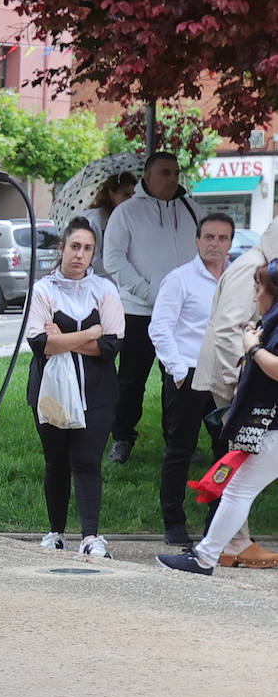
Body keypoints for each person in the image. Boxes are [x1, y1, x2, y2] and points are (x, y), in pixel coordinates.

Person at [159, 259, 278, 576]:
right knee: (240, 488)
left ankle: (205, 558)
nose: (255, 298)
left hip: (273, 429)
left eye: (259, 290)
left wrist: (253, 348)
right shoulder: (271, 324)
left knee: (238, 489)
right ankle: (206, 556)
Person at [26, 217, 125, 558]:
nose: (80, 255)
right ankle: (55, 532)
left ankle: (90, 537)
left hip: (97, 394)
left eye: (87, 249)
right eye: (74, 247)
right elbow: (39, 343)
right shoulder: (43, 290)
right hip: (50, 394)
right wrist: (89, 335)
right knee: (56, 462)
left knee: (86, 461)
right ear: (61, 248)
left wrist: (62, 338)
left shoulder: (105, 290)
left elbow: (112, 346)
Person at [191, 215, 278, 567]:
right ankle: (230, 545)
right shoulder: (256, 268)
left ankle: (224, 547)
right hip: (242, 387)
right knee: (238, 471)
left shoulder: (261, 265)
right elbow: (230, 332)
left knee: (239, 473)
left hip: (253, 388)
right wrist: (237, 387)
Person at [102, 151, 200, 463]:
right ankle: (123, 439)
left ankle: (180, 441)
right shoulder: (126, 213)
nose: (173, 178)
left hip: (182, 314)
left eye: (176, 172)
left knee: (181, 379)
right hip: (138, 312)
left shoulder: (192, 209)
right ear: (147, 177)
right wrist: (150, 292)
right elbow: (114, 259)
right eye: (165, 173)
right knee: (131, 380)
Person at [148, 213, 233, 547]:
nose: (215, 244)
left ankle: (220, 522)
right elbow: (160, 327)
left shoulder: (239, 279)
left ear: (230, 242)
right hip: (188, 374)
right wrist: (179, 372)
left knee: (226, 453)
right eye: (209, 237)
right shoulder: (179, 279)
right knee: (179, 451)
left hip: (225, 376)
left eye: (222, 238)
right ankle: (174, 522)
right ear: (197, 241)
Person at [82, 170, 135, 276]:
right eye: (126, 195)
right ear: (111, 194)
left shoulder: (134, 220)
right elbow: (92, 261)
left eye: (134, 195)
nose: (131, 200)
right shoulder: (95, 220)